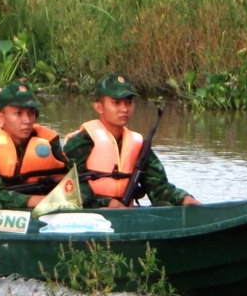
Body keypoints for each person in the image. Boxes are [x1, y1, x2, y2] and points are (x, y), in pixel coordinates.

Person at [62, 74, 200, 208]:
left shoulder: (138, 144)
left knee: (167, 205)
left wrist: (184, 199)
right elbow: (71, 186)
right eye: (116, 103)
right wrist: (106, 203)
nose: (124, 109)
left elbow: (158, 187)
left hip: (125, 213)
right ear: (99, 107)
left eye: (129, 103)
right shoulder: (81, 141)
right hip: (89, 215)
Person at [0, 83, 71, 210]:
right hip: (1, 212)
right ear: (1, 117)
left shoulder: (48, 140)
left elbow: (73, 180)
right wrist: (41, 201)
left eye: (31, 113)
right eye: (18, 113)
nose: (27, 120)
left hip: (46, 206)